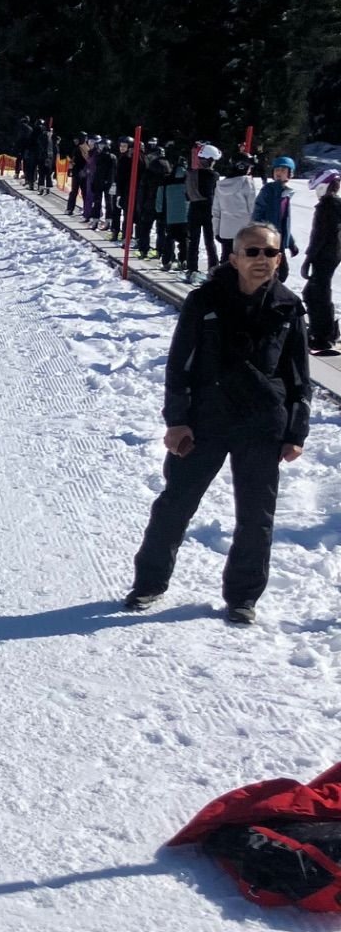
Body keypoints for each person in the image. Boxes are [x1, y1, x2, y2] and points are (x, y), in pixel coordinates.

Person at [125, 221, 309, 624]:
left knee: (256, 516)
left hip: (263, 423)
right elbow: (180, 365)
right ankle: (149, 584)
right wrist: (177, 420)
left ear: (279, 259)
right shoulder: (204, 301)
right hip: (206, 420)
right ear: (234, 257)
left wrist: (296, 431)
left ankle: (243, 597)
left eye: (270, 253)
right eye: (252, 252)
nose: (261, 260)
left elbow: (298, 376)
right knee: (175, 504)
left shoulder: (288, 306)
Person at [302, 171, 341, 354]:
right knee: (316, 292)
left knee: (316, 294)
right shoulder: (335, 205)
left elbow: (320, 235)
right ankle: (326, 332)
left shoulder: (327, 207)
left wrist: (309, 258)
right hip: (332, 254)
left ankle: (322, 336)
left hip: (324, 256)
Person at [254, 156, 300, 281]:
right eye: (277, 170)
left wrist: (291, 243)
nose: (279, 173)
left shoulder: (285, 194)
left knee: (280, 273)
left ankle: (269, 296)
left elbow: (284, 222)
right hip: (268, 240)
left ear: (290, 174)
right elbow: (257, 213)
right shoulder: (269, 190)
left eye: (283, 170)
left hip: (278, 241)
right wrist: (258, 235)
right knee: (276, 273)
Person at [213, 152, 259, 264]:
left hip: (226, 230)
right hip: (244, 231)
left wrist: (216, 231)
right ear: (242, 166)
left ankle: (222, 279)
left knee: (226, 259)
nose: (249, 170)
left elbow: (216, 211)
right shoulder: (247, 182)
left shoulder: (220, 185)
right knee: (243, 262)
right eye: (249, 167)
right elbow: (252, 208)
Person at [184, 142, 220, 282]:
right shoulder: (213, 175)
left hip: (193, 209)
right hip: (208, 210)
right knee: (209, 241)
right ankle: (213, 269)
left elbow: (186, 194)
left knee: (193, 241)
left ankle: (192, 269)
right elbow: (213, 194)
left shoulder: (191, 174)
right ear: (210, 160)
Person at [134, 140, 169, 258]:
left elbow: (142, 190)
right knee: (161, 230)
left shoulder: (149, 171)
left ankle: (144, 250)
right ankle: (161, 251)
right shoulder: (169, 170)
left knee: (145, 229)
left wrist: (140, 206)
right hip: (164, 205)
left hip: (149, 203)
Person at [157, 150, 191, 271]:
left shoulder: (167, 179)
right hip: (186, 214)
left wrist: (159, 211)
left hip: (170, 214)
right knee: (185, 238)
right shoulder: (189, 178)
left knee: (169, 237)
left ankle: (167, 261)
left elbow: (160, 196)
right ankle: (184, 260)